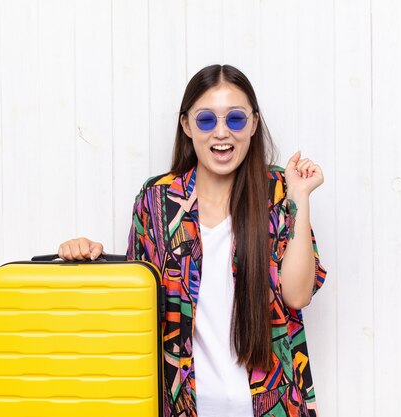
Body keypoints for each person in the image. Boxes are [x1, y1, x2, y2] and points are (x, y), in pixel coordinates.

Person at [58, 64, 328, 417]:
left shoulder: (278, 191)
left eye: (235, 119)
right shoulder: (157, 201)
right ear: (186, 125)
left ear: (253, 123)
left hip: (272, 403)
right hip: (182, 405)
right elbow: (135, 305)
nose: (222, 133)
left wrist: (300, 196)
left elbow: (297, 295)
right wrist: (89, 260)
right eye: (206, 120)